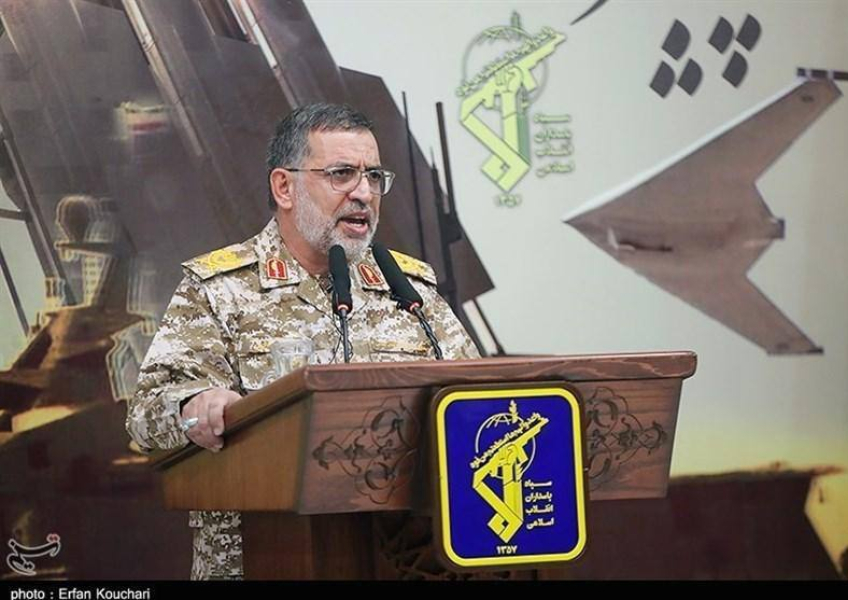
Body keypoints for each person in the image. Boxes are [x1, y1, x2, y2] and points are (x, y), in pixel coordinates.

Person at [125, 103, 479, 580]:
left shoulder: (408, 289)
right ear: (284, 187)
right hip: (263, 559)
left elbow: (477, 401)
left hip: (400, 560)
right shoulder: (220, 288)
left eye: (374, 176)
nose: (364, 193)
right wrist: (194, 407)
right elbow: (145, 416)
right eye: (342, 174)